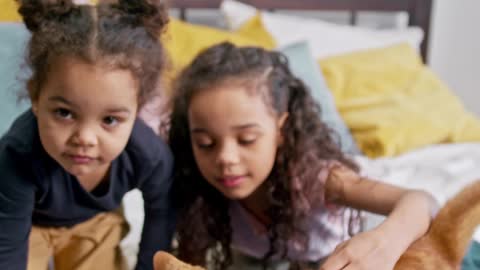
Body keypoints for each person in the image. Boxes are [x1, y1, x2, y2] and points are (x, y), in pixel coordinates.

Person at [168, 42, 439, 270]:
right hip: (260, 256)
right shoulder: (194, 185)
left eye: (247, 139)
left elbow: (423, 202)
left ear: (281, 130)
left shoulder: (320, 179)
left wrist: (384, 243)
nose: (225, 158)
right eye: (205, 143)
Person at [0, 1, 175, 270]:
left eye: (109, 120)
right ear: (36, 95)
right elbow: (7, 248)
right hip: (27, 224)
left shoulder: (149, 156)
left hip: (95, 223)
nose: (85, 138)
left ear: (138, 107)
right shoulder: (17, 154)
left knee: (105, 234)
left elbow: (160, 218)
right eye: (64, 113)